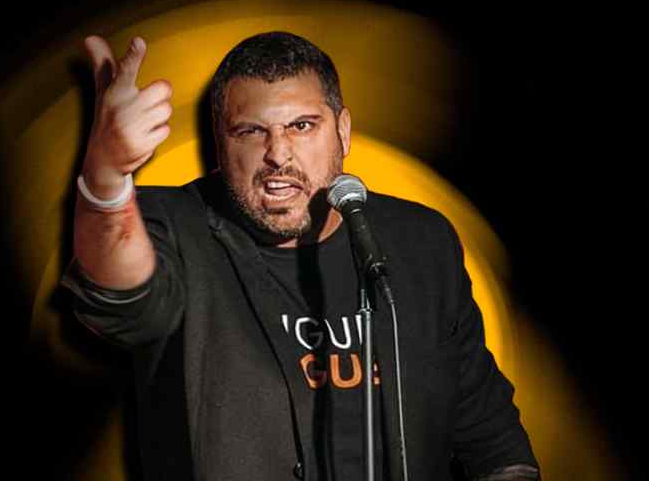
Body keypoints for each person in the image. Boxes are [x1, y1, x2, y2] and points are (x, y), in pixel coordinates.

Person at [60, 31, 541, 481]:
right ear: (219, 144)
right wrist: (106, 181)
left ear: (343, 132)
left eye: (302, 126)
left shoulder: (421, 241)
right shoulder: (175, 226)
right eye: (251, 131)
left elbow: (494, 441)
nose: (278, 154)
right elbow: (120, 293)